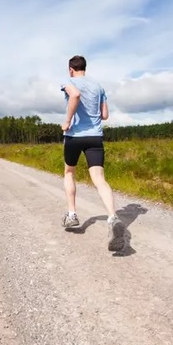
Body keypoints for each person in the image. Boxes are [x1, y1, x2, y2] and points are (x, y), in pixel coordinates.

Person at [60, 55, 123, 251]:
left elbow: (75, 95)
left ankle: (72, 215)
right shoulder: (98, 86)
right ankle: (113, 217)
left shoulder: (68, 81)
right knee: (99, 178)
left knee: (70, 172)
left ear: (71, 69)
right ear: (84, 68)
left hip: (74, 136)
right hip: (95, 137)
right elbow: (104, 115)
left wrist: (68, 120)